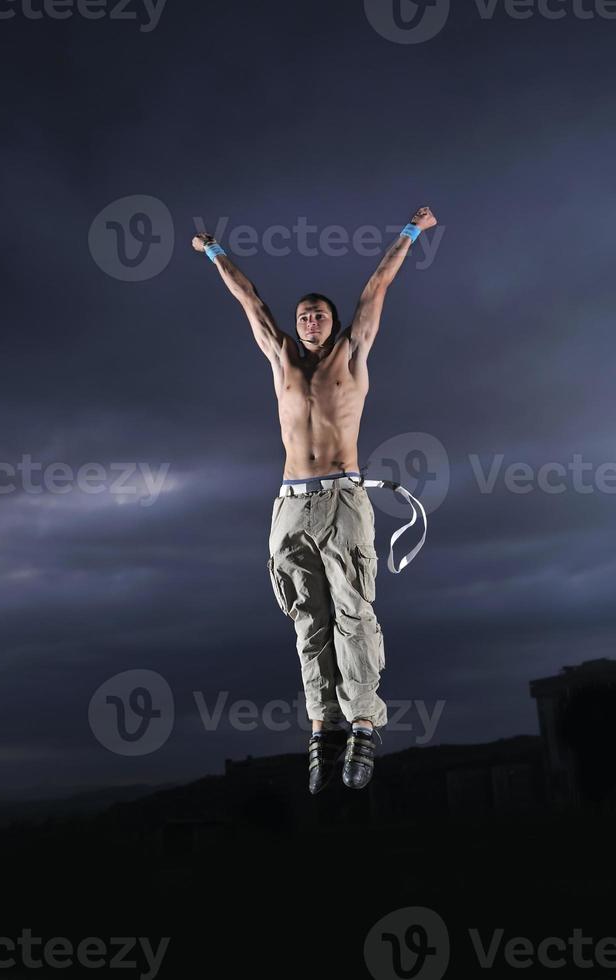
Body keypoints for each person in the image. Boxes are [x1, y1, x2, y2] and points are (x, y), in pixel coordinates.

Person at [192, 205, 438, 793]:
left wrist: (410, 230)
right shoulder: (280, 359)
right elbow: (250, 300)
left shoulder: (353, 354)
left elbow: (377, 287)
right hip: (291, 502)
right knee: (308, 615)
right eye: (303, 315)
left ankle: (362, 722)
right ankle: (323, 725)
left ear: (332, 323)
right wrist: (213, 253)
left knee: (353, 608)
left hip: (343, 497)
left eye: (318, 314)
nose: (309, 321)